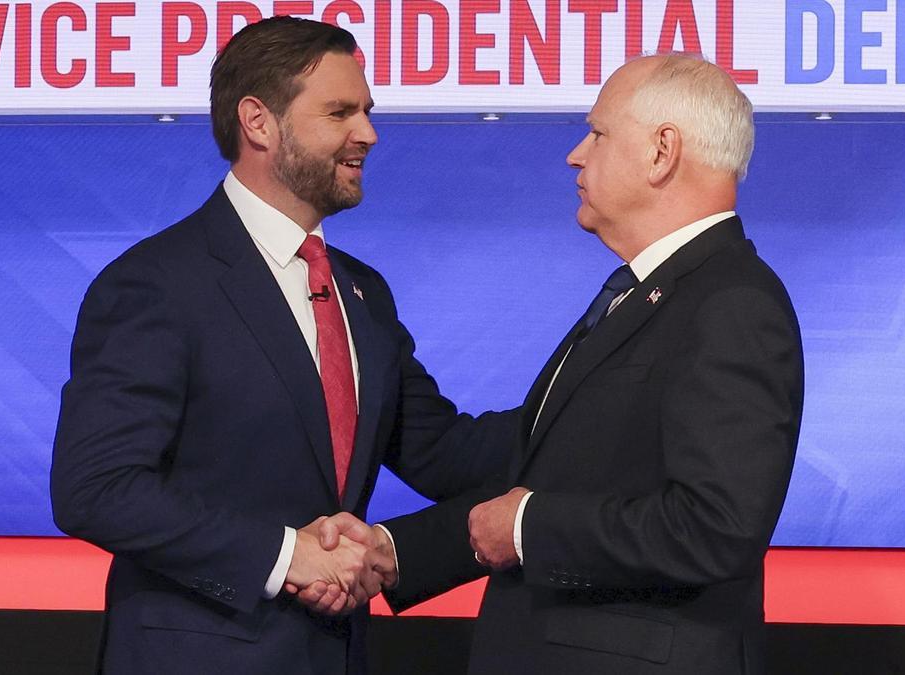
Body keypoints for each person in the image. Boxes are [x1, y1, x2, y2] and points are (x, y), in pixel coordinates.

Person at [307, 53, 805, 674]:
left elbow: (714, 528)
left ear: (661, 152)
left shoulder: (731, 303)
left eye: (597, 133)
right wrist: (394, 548)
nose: (576, 154)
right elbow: (526, 461)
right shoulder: (646, 295)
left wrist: (527, 527)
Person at [50, 17, 512, 675]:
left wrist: (584, 405)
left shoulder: (363, 293)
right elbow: (96, 487)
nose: (368, 134)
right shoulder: (157, 283)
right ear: (258, 122)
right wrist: (283, 553)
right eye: (340, 112)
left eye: (367, 111)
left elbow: (442, 452)